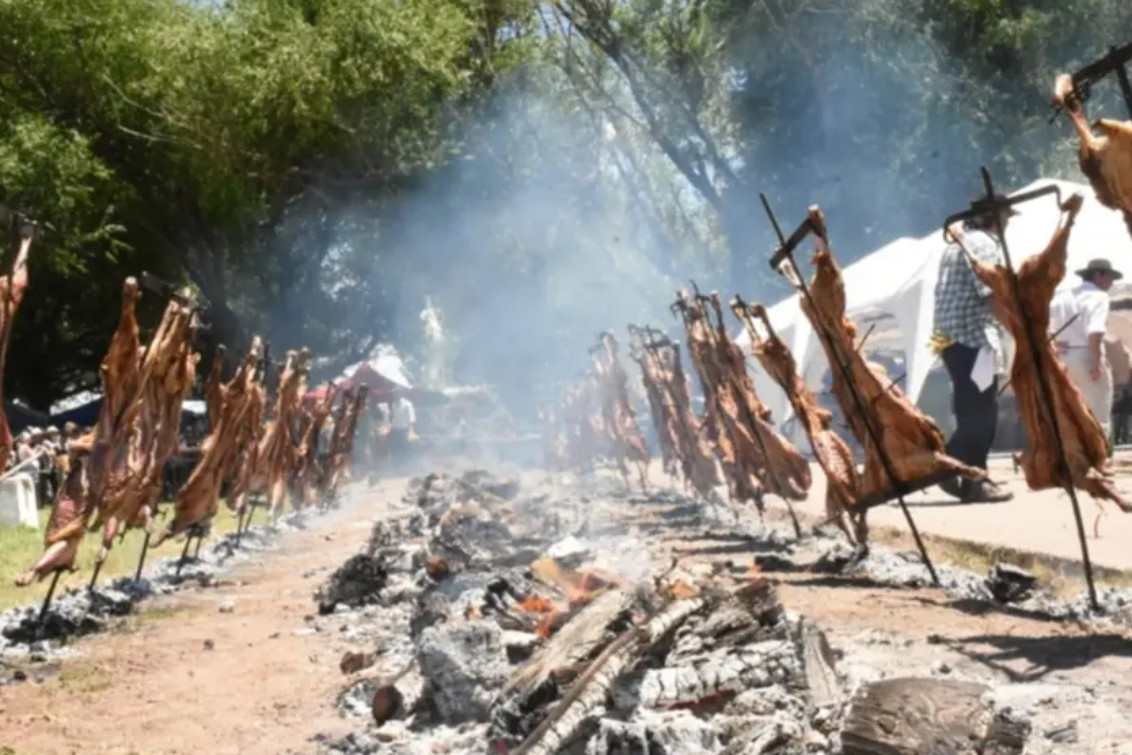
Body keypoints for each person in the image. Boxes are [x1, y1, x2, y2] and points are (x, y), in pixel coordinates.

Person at [931, 195, 1016, 503]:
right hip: (975, 340)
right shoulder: (986, 244)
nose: (1008, 223)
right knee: (982, 414)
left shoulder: (954, 246)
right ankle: (949, 467)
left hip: (949, 340)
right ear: (996, 217)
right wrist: (1018, 328)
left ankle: (969, 481)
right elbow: (991, 295)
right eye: (1006, 216)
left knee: (971, 412)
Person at [1049, 258, 1121, 445]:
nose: (1111, 283)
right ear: (1098, 275)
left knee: (1071, 413)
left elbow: (1042, 323)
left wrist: (1052, 345)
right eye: (1109, 277)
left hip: (1062, 357)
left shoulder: (1062, 296)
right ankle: (1099, 458)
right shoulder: (1099, 297)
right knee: (1098, 412)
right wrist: (1096, 365)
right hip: (1086, 354)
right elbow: (1094, 332)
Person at [388, 391, 417, 473]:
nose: (395, 396)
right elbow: (393, 418)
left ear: (400, 394)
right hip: (395, 430)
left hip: (404, 430)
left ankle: (407, 468)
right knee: (395, 450)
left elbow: (411, 419)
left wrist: (411, 432)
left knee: (406, 450)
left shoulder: (407, 404)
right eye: (394, 394)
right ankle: (397, 468)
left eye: (397, 394)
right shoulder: (393, 405)